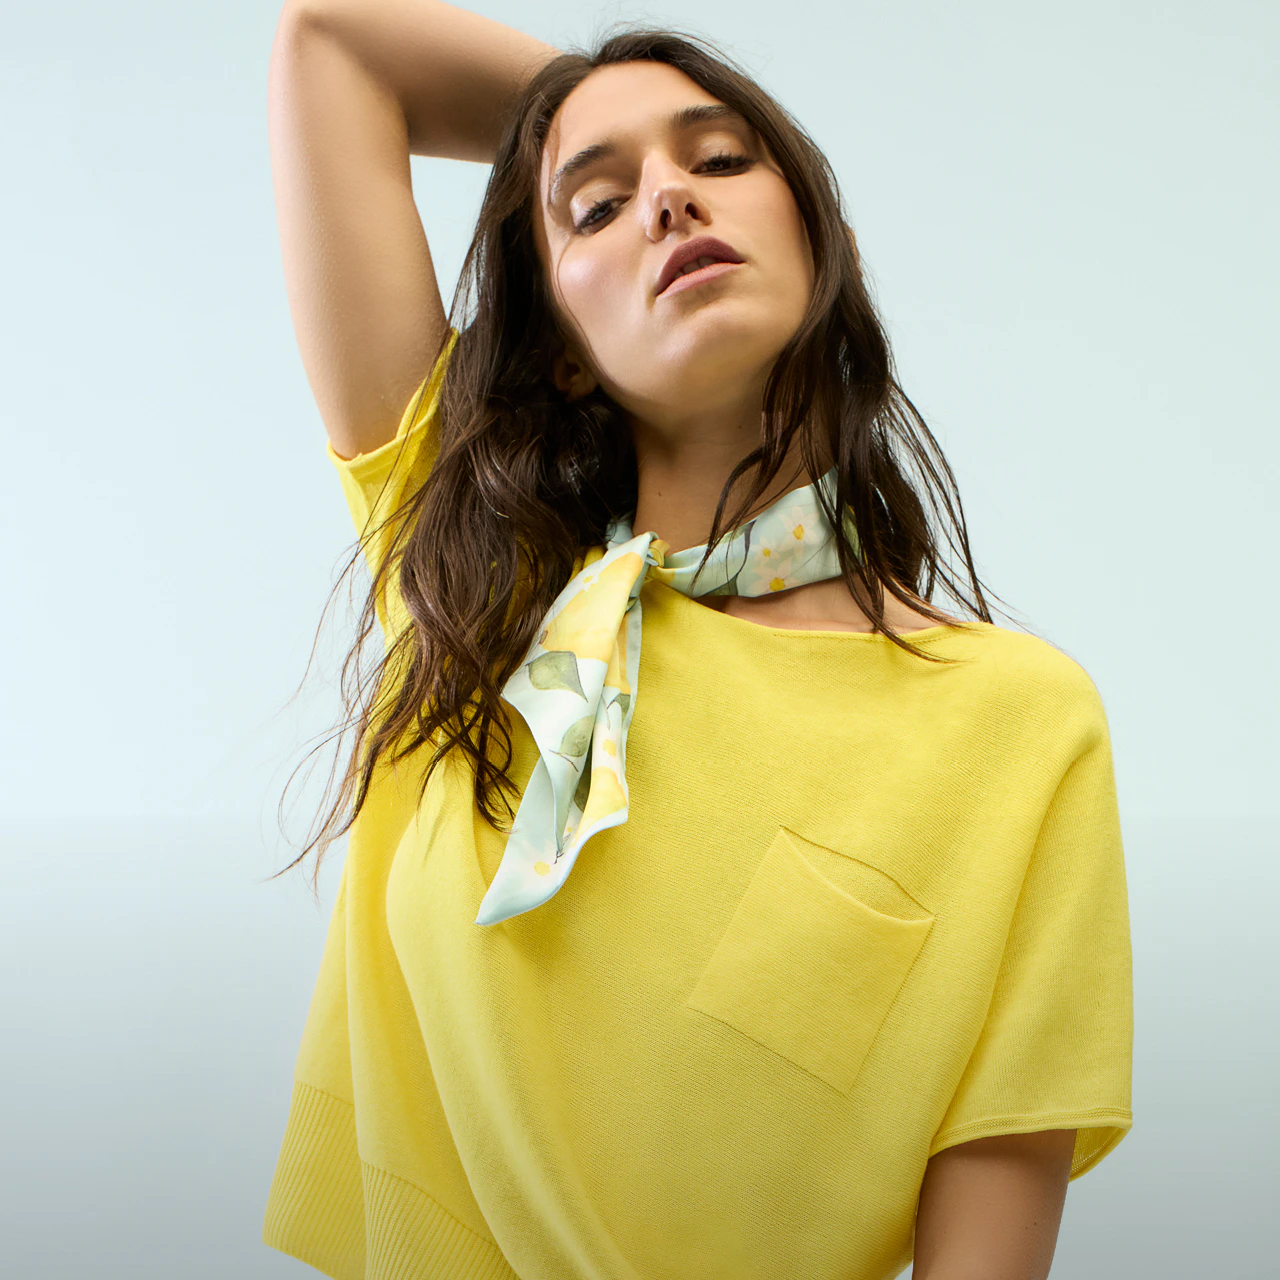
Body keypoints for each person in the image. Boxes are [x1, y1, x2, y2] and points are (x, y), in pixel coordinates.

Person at [262, 3, 1134, 1278]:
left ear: (815, 237)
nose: (669, 199)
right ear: (559, 348)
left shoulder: (1016, 721)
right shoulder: (475, 585)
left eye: (723, 160)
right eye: (596, 208)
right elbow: (329, 48)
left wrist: (611, 146)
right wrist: (582, 102)